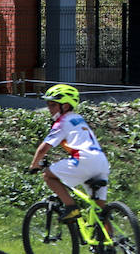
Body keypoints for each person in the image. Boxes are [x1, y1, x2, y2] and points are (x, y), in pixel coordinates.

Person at [28, 84, 112, 241]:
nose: (49, 108)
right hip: (101, 161)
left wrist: (34, 165)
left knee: (48, 175)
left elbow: (43, 148)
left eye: (53, 104)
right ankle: (112, 245)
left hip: (84, 160)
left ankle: (71, 207)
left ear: (65, 105)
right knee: (100, 210)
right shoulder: (79, 119)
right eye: (48, 104)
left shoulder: (62, 122)